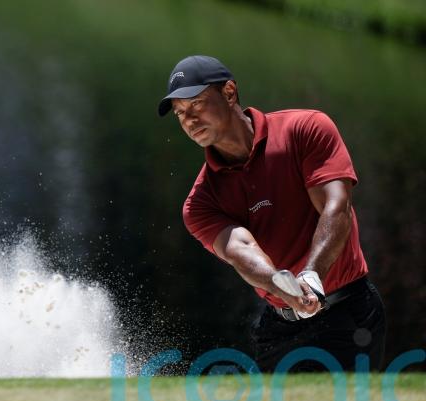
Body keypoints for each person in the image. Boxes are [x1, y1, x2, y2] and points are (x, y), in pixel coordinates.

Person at [157, 55, 386, 371]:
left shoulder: (305, 128)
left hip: (348, 312)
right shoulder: (200, 202)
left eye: (196, 103)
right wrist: (285, 288)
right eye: (181, 113)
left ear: (229, 93)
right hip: (278, 327)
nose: (190, 120)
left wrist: (312, 276)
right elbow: (241, 251)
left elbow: (336, 208)